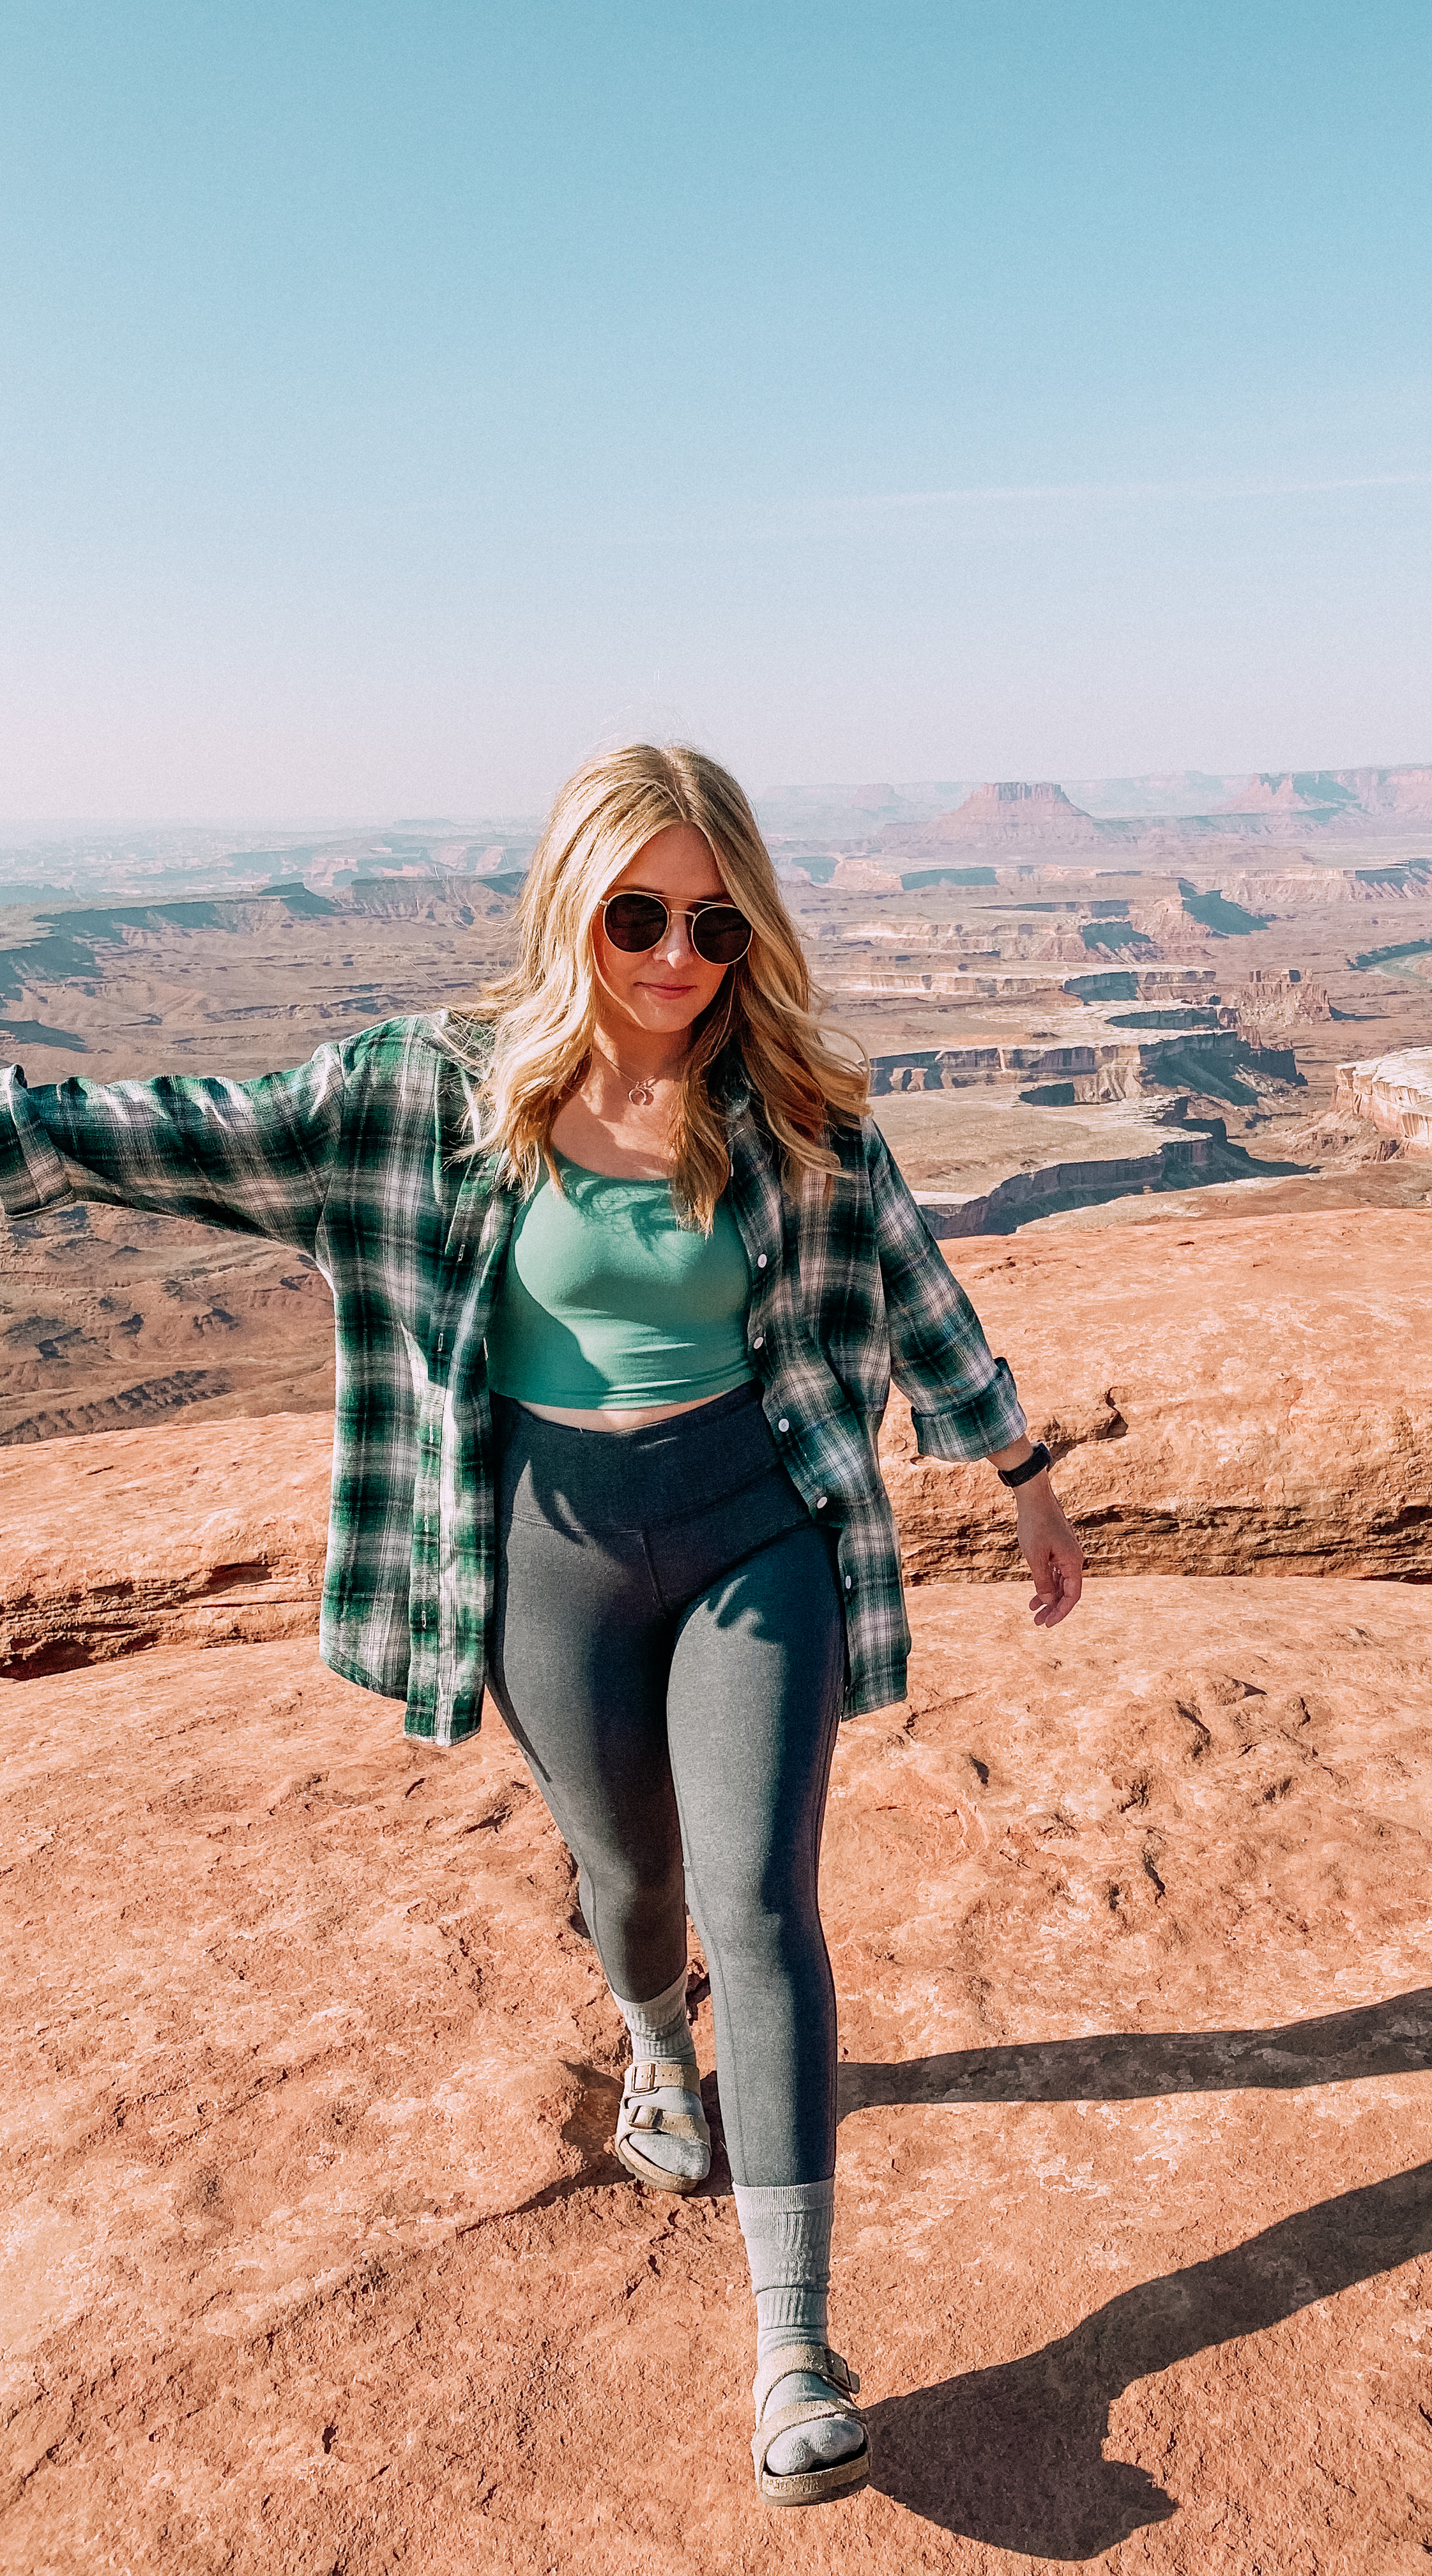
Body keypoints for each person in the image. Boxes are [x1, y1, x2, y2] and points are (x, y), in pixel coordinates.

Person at [0, 742, 1085, 2508]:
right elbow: (195, 1133)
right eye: (638, 917)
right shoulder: (423, 1094)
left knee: (760, 1903)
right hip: (548, 1551)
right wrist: (20, 1127)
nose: (677, 958)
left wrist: (1023, 1467)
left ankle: (794, 2346)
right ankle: (655, 2052)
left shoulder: (790, 1103)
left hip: (755, 1531)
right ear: (571, 905)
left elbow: (911, 1279)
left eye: (715, 926)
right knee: (632, 1878)